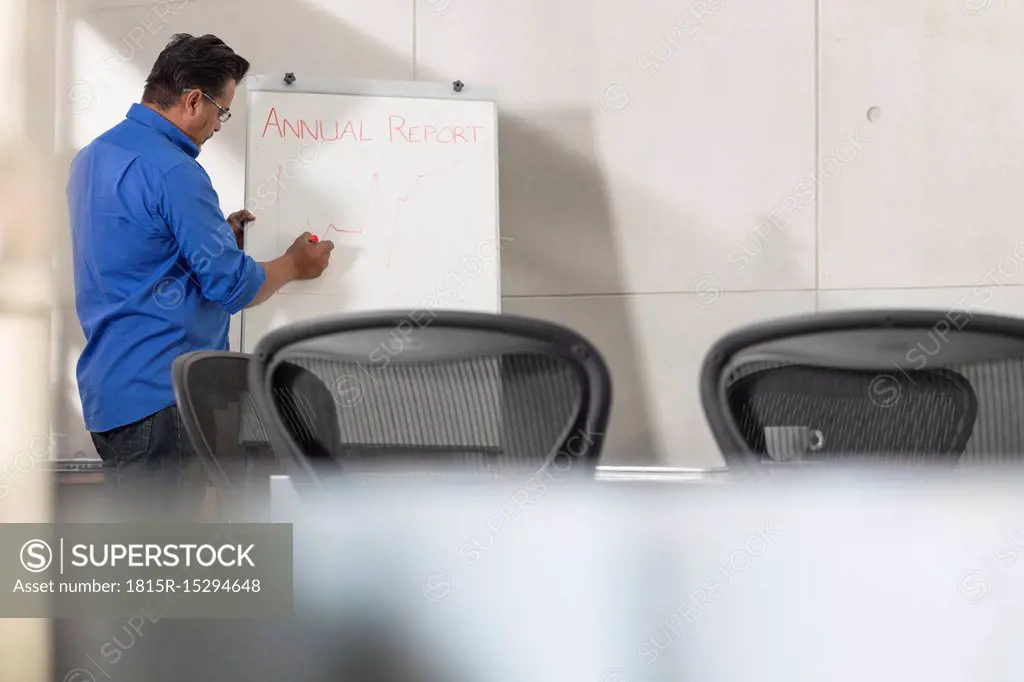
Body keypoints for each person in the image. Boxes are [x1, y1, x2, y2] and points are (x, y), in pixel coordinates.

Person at [65, 33, 334, 517]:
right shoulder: (174, 171)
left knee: (141, 562)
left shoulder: (93, 157)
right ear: (194, 99)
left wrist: (213, 239)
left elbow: (136, 254)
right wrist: (296, 264)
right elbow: (233, 286)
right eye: (222, 111)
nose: (218, 126)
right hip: (163, 398)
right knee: (162, 572)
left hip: (112, 392)